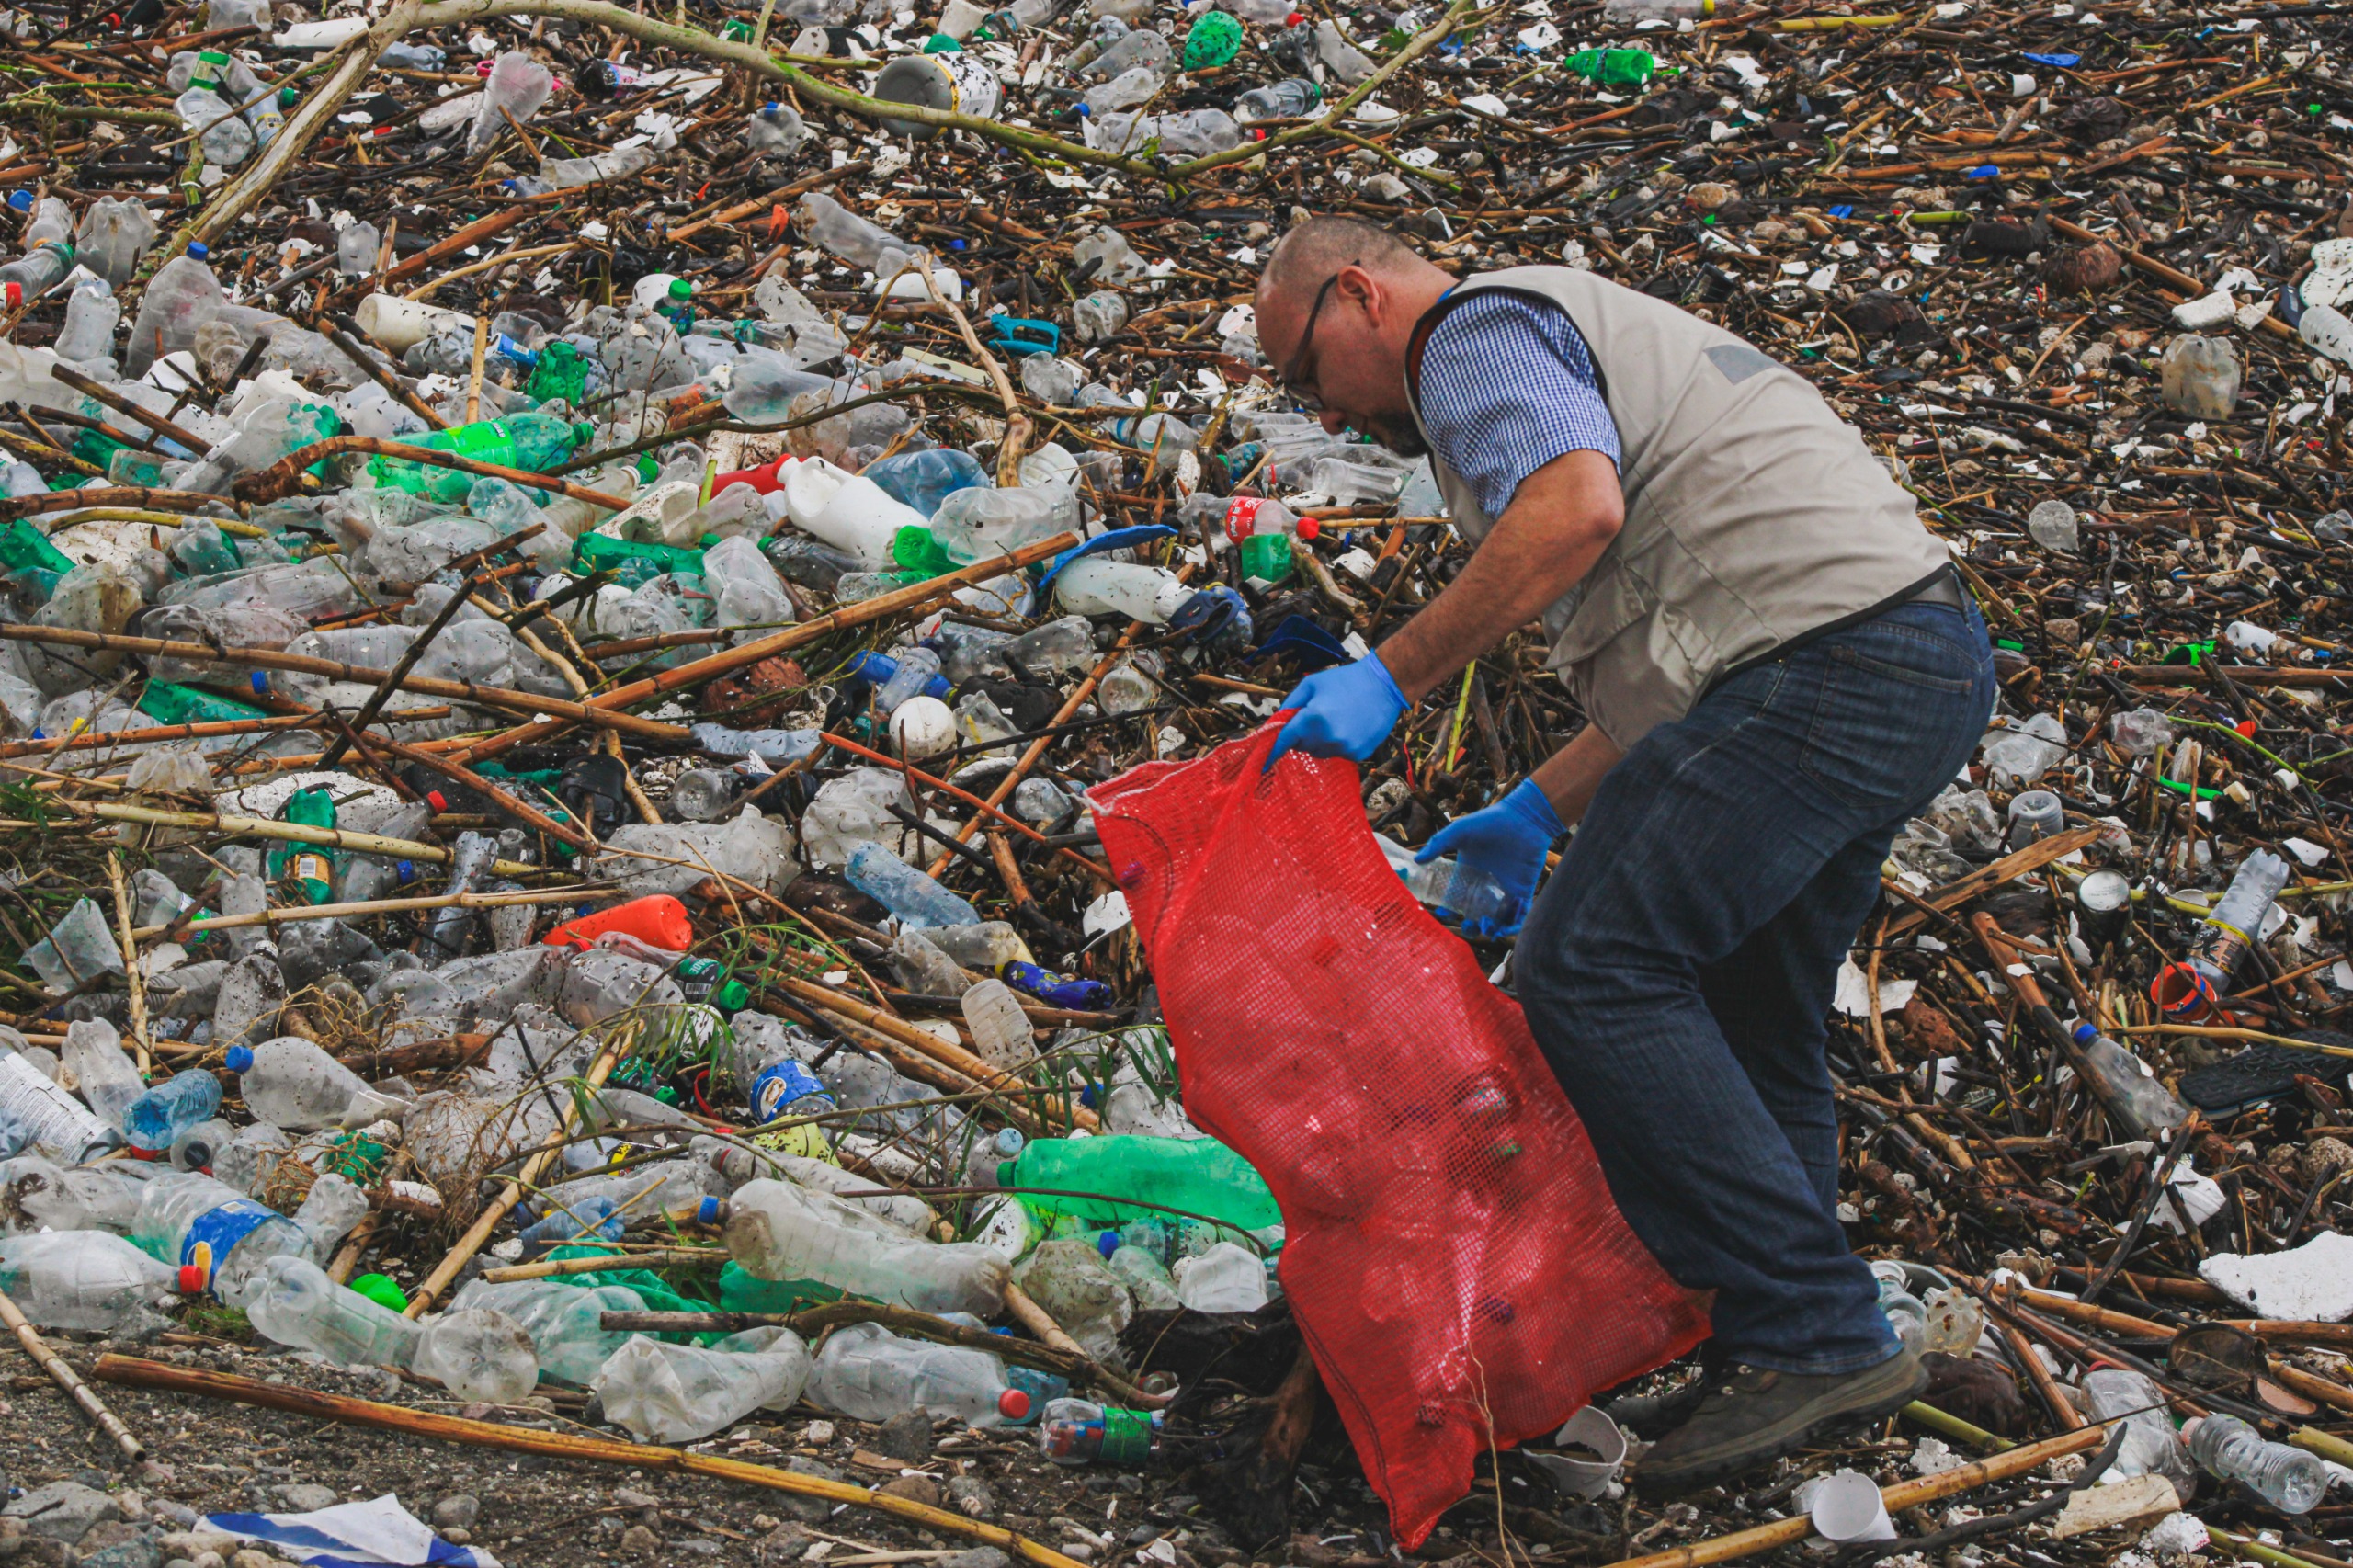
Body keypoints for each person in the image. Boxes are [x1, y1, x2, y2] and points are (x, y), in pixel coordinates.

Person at [1253, 215, 1997, 1494]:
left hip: (1824, 664)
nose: (1317, 415)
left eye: (1305, 376)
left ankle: (1813, 1326)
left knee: (1594, 966)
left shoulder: (1467, 336)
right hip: (1905, 655)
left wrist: (1393, 675)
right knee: (1751, 1009)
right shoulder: (1567, 329)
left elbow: (1572, 510)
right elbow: (1682, 673)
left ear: (1359, 297)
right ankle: (1779, 1337)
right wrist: (1536, 809)